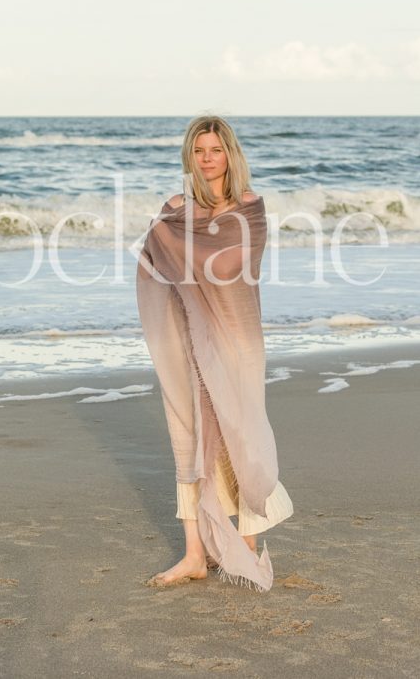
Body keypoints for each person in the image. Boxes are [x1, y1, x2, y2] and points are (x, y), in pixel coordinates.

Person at [136, 115, 293, 589]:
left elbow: (237, 268)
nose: (207, 159)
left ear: (230, 155)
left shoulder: (249, 208)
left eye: (215, 150)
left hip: (238, 336)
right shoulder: (175, 209)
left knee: (240, 432)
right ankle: (194, 555)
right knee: (189, 437)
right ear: (190, 155)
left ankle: (245, 542)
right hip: (188, 340)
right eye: (199, 150)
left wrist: (198, 257)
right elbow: (155, 266)